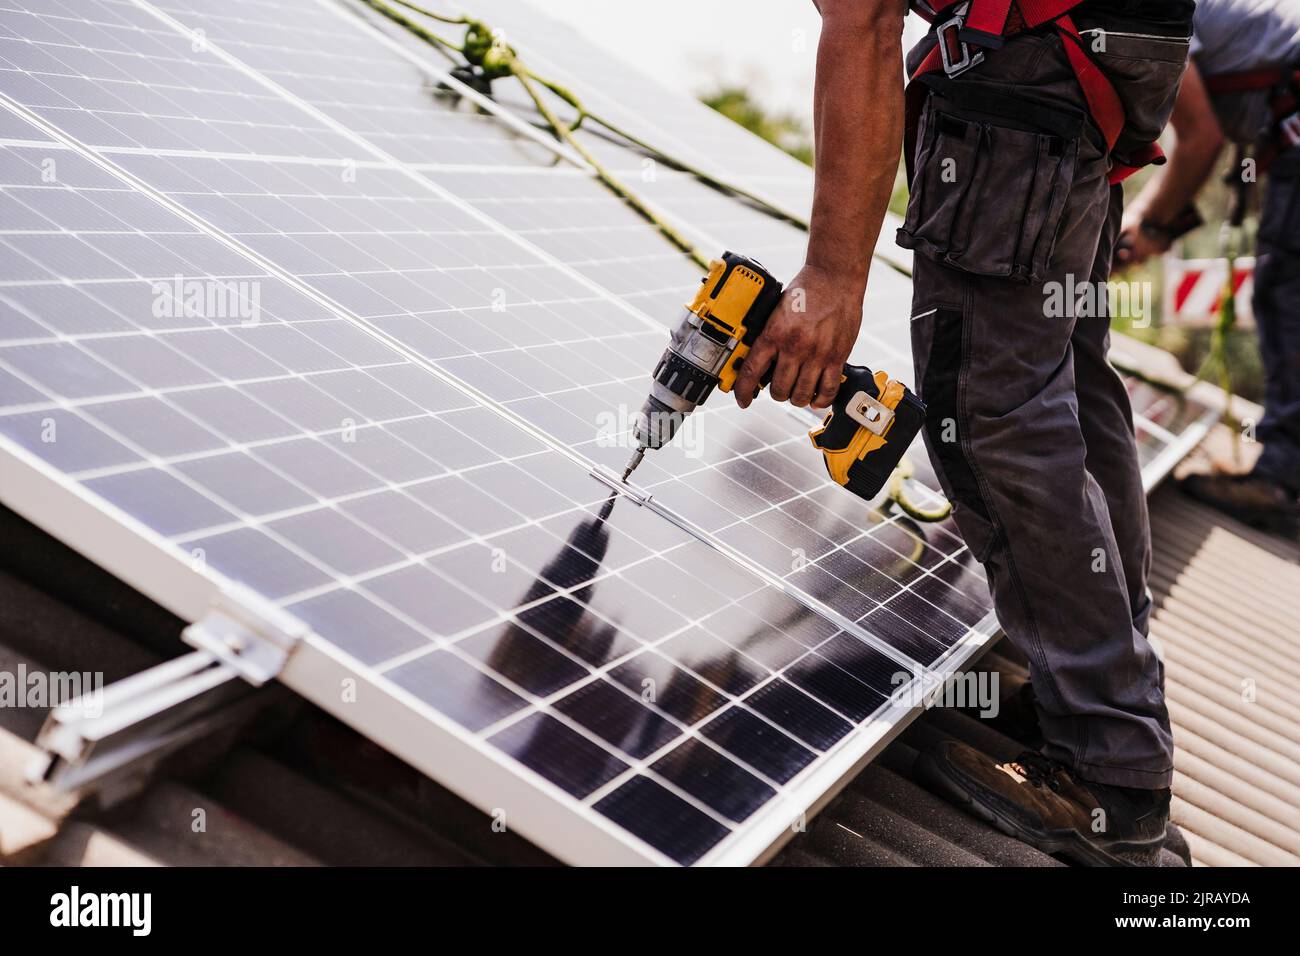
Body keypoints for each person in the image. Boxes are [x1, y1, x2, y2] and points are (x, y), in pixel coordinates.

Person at [731, 0, 1195, 865]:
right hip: (1101, 50)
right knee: (1068, 386)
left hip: (1033, 60)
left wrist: (832, 277)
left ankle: (1110, 766)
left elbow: (863, 17)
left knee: (992, 416)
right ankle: (1100, 705)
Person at [1116, 0, 1300, 536]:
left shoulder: (1153, 10)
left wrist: (1152, 225)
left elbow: (1200, 140)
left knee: (1285, 295)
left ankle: (1281, 479)